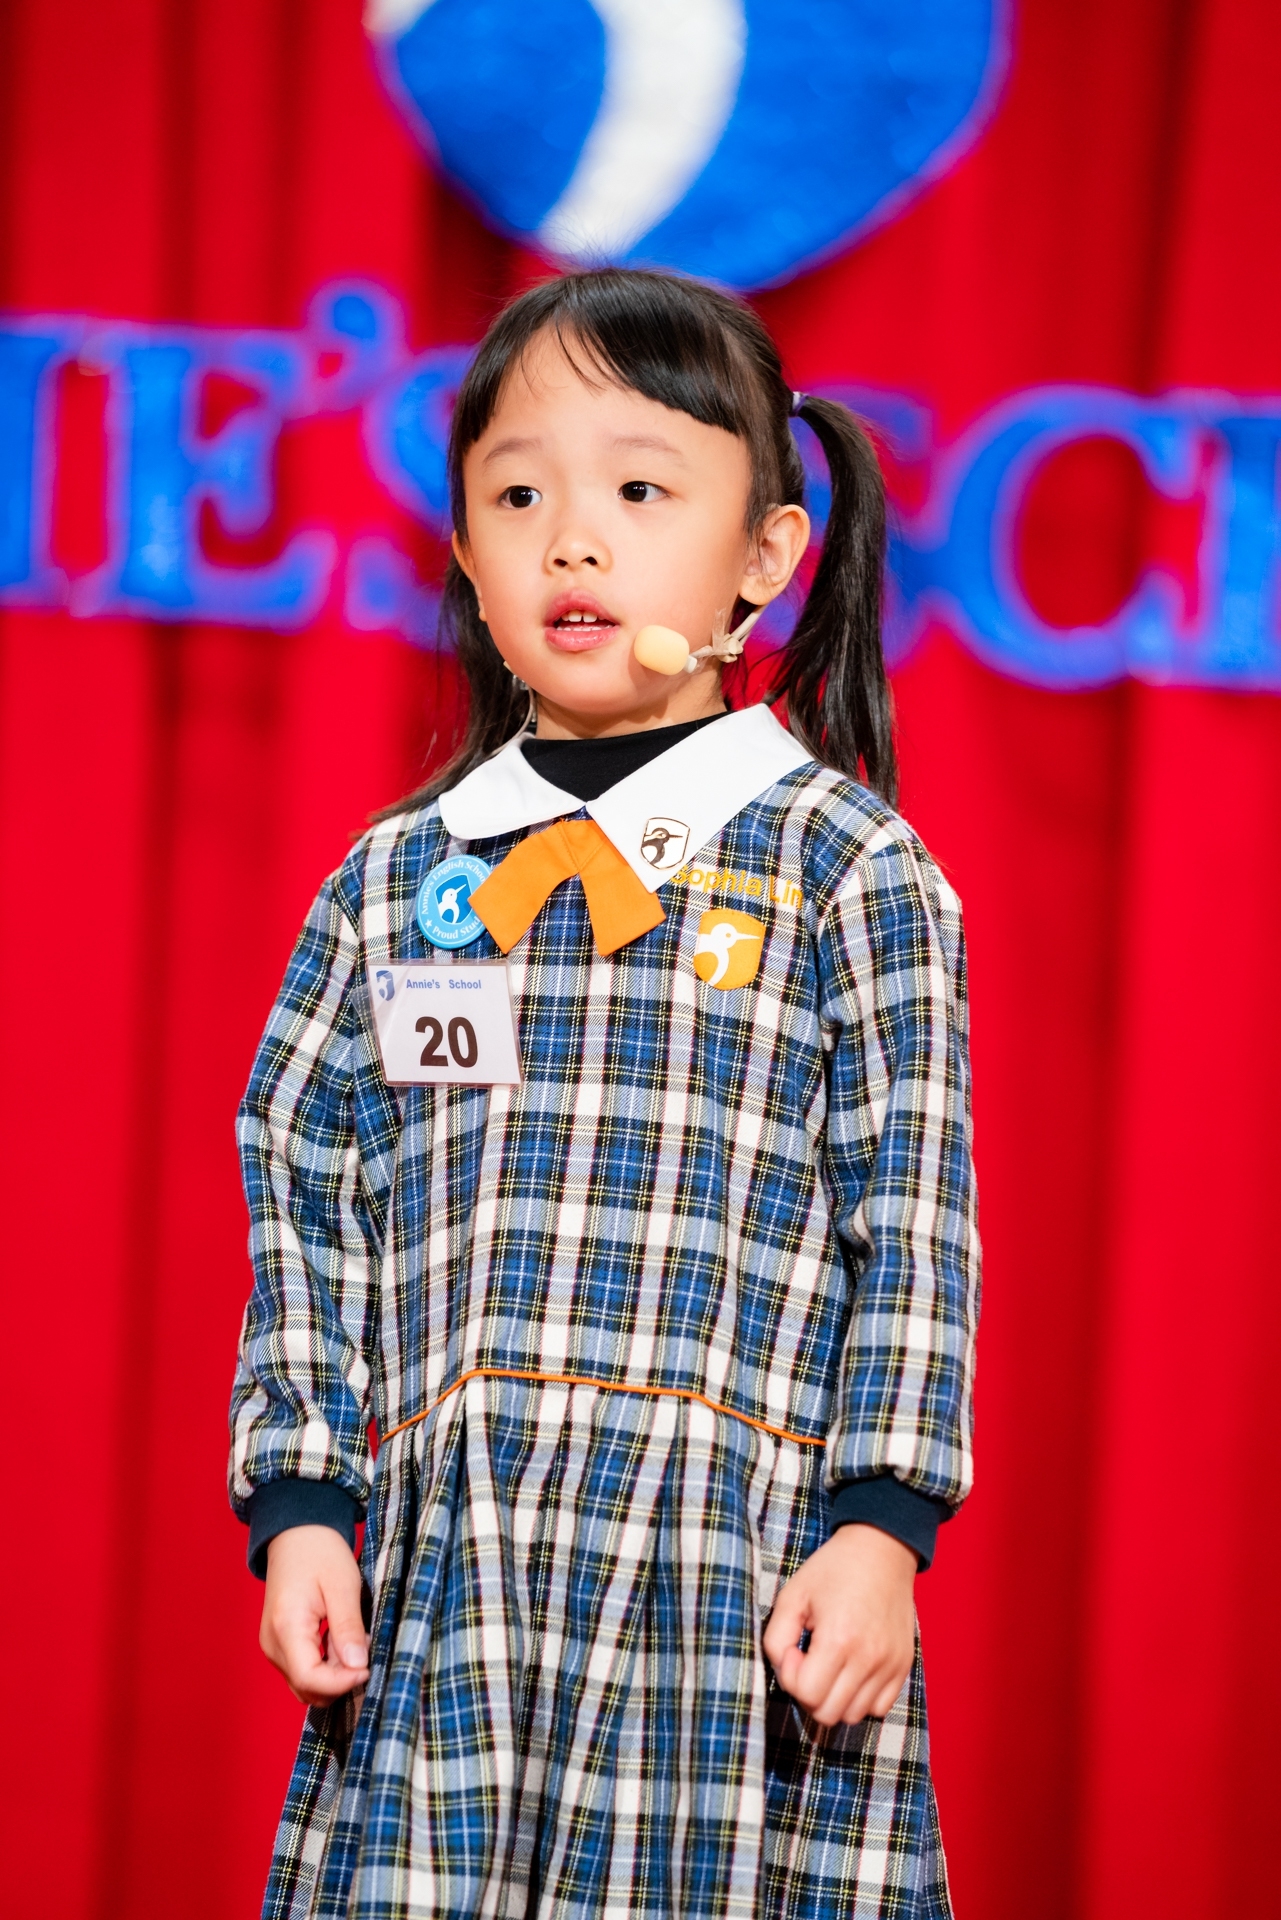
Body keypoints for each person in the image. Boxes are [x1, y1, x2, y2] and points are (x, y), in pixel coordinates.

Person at [229, 267, 980, 1920]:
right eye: (519, 498)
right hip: (449, 1586)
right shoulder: (399, 882)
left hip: (727, 1580)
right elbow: (307, 1192)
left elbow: (912, 1221)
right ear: (461, 550)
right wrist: (303, 1506)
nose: (573, 540)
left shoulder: (840, 864)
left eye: (641, 492)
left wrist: (879, 1525)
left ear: (764, 556)